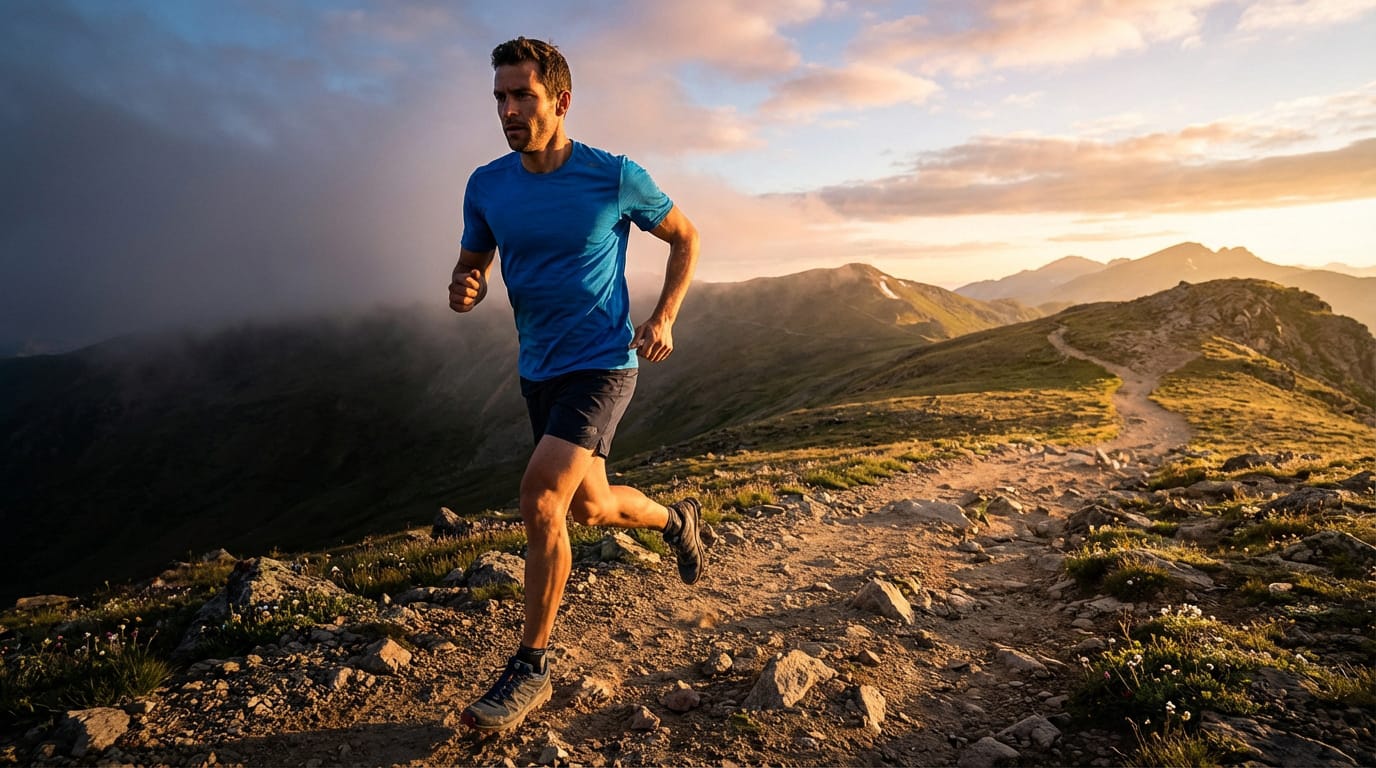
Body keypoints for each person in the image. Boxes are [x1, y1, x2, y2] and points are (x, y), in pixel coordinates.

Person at [447, 37, 706, 734]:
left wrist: (666, 316)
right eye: (499, 97)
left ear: (559, 101)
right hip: (540, 369)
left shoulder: (613, 176)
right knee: (590, 509)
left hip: (603, 363)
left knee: (541, 501)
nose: (507, 110)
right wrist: (465, 286)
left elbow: (685, 236)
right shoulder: (487, 184)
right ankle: (678, 522)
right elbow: (471, 266)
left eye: (521, 96)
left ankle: (531, 665)